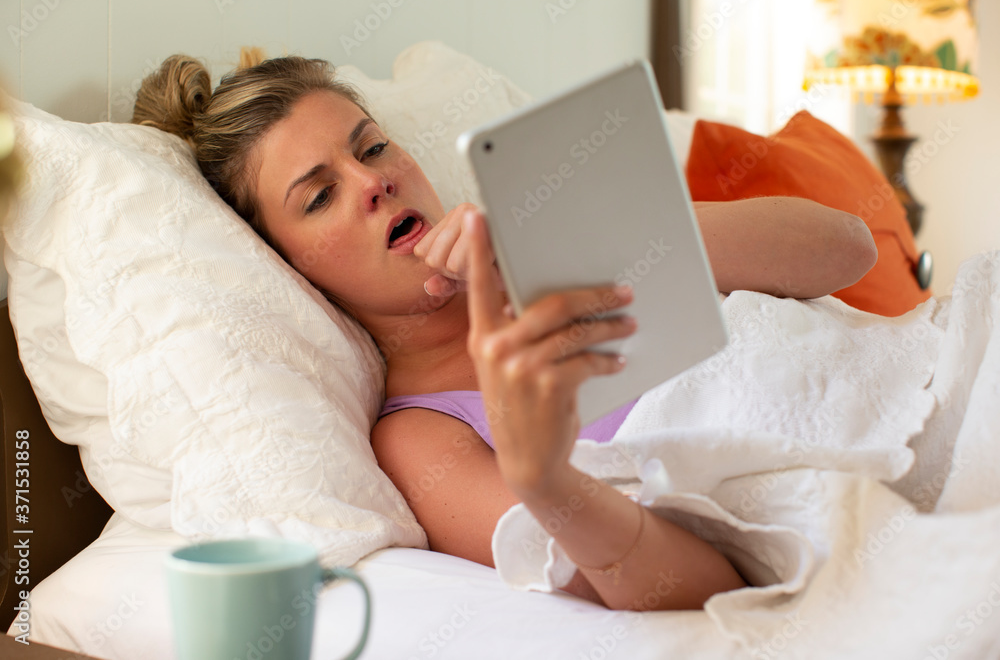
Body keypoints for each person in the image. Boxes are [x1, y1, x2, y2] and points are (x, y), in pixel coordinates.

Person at [132, 51, 877, 612]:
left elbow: (848, 249)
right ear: (290, 268)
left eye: (372, 147)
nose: (372, 182)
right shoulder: (420, 437)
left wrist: (561, 240)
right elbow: (695, 588)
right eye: (320, 196)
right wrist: (544, 478)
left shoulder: (576, 251)